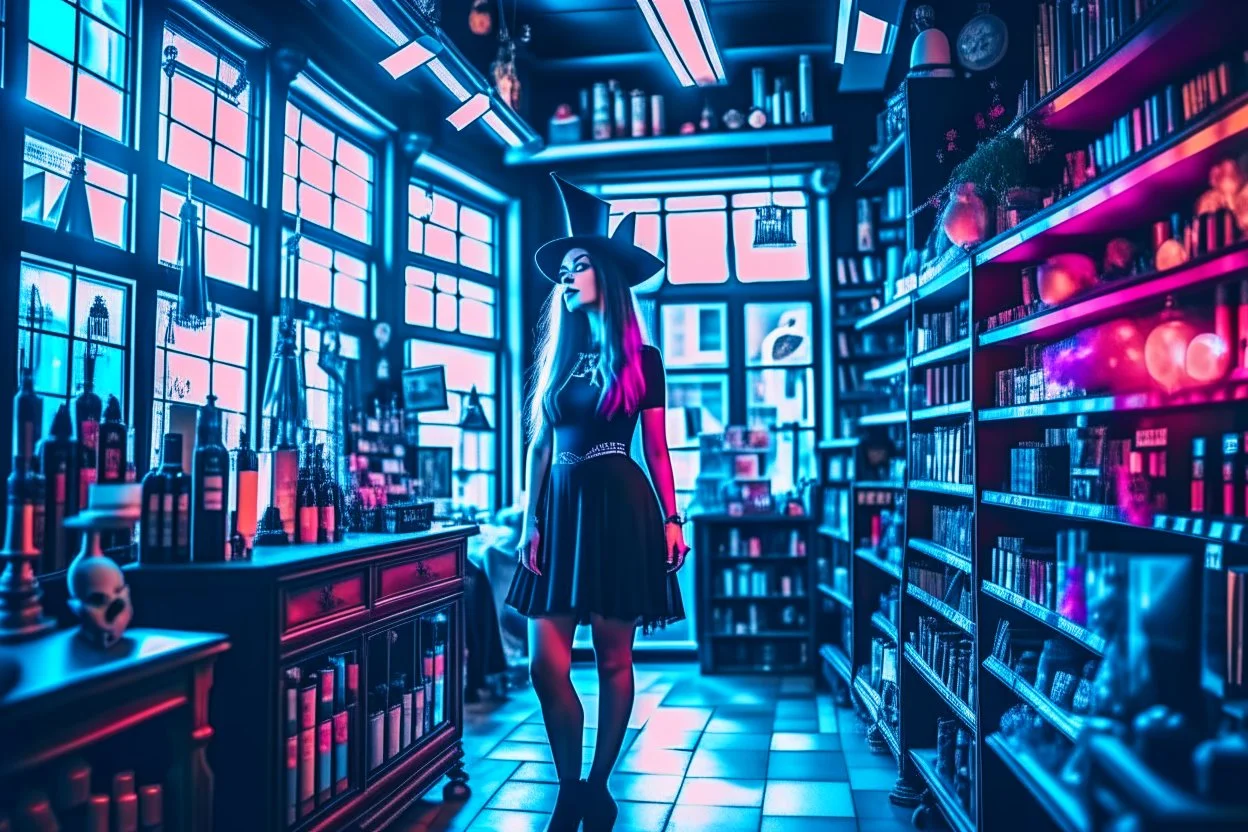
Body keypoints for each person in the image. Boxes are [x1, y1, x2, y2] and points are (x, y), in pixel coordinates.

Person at [505, 174, 689, 831]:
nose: (566, 277)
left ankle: (595, 785)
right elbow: (536, 449)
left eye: (579, 266)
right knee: (543, 664)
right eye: (563, 270)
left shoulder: (644, 357)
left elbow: (659, 451)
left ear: (606, 277)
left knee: (615, 658)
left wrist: (673, 517)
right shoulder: (556, 356)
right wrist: (530, 521)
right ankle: (568, 781)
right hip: (557, 510)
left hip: (619, 508)